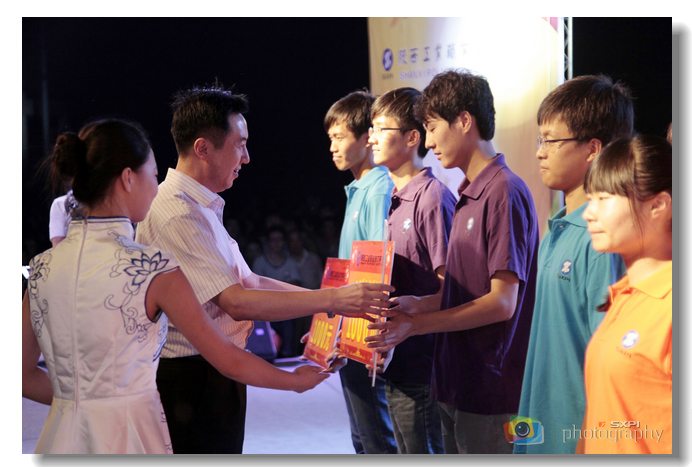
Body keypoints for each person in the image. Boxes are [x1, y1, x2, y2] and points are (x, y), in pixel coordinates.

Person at [22, 119, 329, 454]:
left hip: (62, 436)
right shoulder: (153, 267)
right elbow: (227, 359)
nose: (156, 188)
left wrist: (81, 402)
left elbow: (22, 375)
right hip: (133, 434)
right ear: (128, 178)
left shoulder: (41, 269)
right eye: (153, 175)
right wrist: (294, 381)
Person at [135, 86, 393, 454]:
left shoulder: (200, 206)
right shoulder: (178, 213)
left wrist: (330, 306)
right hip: (193, 378)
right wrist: (334, 301)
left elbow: (250, 281)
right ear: (203, 148)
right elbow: (238, 301)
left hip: (209, 373)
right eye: (239, 145)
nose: (246, 157)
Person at [366, 69, 539, 454]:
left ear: (463, 121)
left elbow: (502, 302)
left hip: (489, 390)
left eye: (431, 128)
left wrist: (416, 324)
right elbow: (462, 293)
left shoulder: (503, 191)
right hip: (454, 382)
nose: (428, 142)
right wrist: (417, 304)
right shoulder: (467, 194)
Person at [515, 75, 632, 454]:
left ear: (593, 149)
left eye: (550, 140)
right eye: (540, 140)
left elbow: (612, 364)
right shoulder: (557, 230)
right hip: (540, 430)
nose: (540, 152)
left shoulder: (603, 239)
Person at [367, 87, 455, 454]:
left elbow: (452, 292)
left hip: (423, 365)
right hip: (396, 359)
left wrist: (412, 307)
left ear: (412, 137)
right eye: (371, 129)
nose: (371, 138)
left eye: (381, 129)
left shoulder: (431, 198)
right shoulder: (395, 198)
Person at [577, 135, 672, 454]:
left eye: (603, 198)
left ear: (658, 205)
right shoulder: (624, 293)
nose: (588, 213)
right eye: (590, 198)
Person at [324, 90, 397, 454]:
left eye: (339, 137)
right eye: (330, 139)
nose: (333, 147)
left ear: (367, 138)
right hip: (350, 330)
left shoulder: (379, 188)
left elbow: (379, 269)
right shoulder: (359, 188)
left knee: (375, 439)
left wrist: (374, 333)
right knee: (362, 438)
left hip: (365, 334)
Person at [252, 225, 302, 357]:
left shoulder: (291, 262)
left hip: (288, 312)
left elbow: (296, 285)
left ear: (284, 242)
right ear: (268, 242)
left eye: (279, 239)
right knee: (267, 348)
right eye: (273, 240)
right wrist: (283, 287)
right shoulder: (259, 262)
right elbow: (256, 288)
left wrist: (271, 288)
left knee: (287, 349)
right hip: (265, 313)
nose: (276, 243)